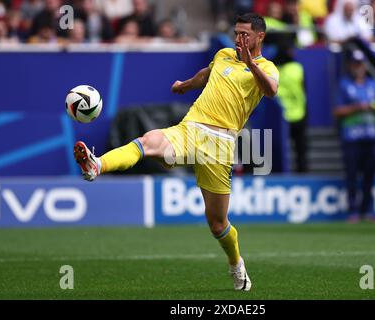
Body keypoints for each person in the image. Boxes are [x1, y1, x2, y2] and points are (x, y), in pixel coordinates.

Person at [73, 13, 279, 291]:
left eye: (245, 34)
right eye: (236, 33)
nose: (239, 39)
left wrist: (250, 64)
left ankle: (235, 263)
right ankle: (97, 165)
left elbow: (271, 91)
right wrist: (185, 85)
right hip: (191, 127)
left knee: (218, 224)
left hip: (220, 144)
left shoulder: (266, 67)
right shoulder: (223, 54)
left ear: (260, 37)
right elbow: (207, 75)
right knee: (148, 141)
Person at [333, 50, 375, 223]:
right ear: (350, 66)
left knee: (370, 175)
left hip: (371, 136)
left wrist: (374, 107)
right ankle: (353, 210)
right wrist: (358, 107)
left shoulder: (373, 84)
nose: (358, 68)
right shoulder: (344, 84)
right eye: (355, 64)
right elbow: (338, 111)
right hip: (351, 137)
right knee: (352, 175)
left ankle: (367, 209)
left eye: (360, 64)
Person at [274, 44, 308, 172]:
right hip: (298, 114)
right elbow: (304, 91)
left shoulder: (274, 70)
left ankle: (284, 172)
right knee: (300, 149)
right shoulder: (297, 68)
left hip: (283, 115)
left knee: (283, 149)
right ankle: (302, 172)